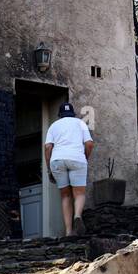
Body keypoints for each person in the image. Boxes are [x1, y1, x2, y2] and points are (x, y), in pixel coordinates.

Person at [44, 101, 94, 236]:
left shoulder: (53, 126)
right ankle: (77, 216)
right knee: (79, 194)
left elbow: (48, 147)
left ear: (60, 115)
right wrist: (84, 157)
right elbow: (89, 144)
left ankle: (68, 231)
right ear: (73, 113)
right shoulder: (80, 123)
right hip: (77, 158)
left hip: (57, 160)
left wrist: (49, 168)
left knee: (65, 195)